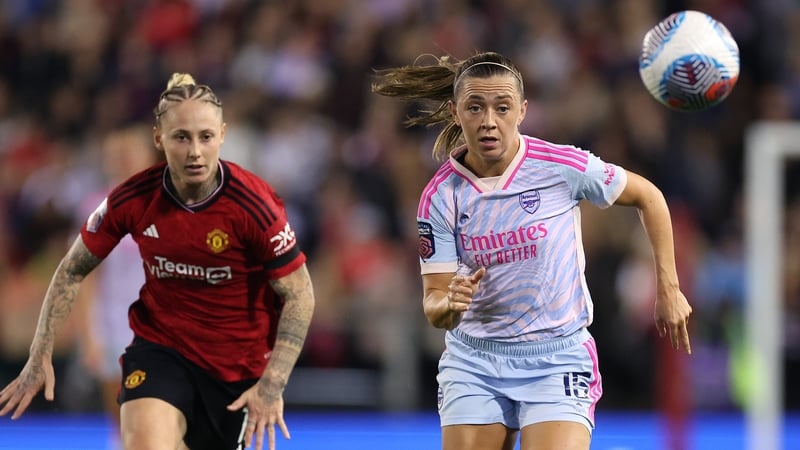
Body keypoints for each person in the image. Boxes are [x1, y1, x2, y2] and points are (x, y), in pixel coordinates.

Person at [372, 51, 693, 450]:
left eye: (502, 108)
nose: (489, 121)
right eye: (475, 107)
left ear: (522, 111)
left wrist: (669, 287)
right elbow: (434, 305)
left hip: (557, 357)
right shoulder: (440, 197)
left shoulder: (560, 167)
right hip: (475, 361)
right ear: (456, 113)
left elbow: (650, 196)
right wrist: (450, 306)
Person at [0, 73, 316, 450]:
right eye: (181, 137)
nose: (195, 151)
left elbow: (300, 293)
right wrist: (40, 354)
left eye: (205, 136)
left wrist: (272, 384)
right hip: (161, 350)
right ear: (158, 139)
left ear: (223, 135)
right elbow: (71, 269)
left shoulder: (255, 206)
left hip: (238, 368)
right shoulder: (131, 199)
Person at [73, 125, 160, 448]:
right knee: (120, 414)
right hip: (113, 326)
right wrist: (88, 335)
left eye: (130, 154)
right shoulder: (97, 208)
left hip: (160, 328)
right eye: (116, 156)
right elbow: (84, 277)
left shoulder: (167, 204)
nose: (123, 162)